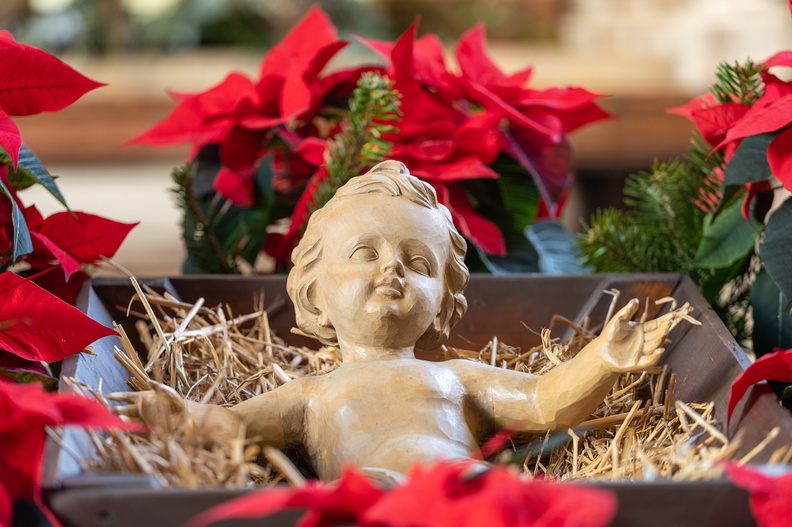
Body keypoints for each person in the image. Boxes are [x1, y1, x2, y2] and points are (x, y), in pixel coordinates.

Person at [113, 160, 692, 483]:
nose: (393, 269)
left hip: (469, 491)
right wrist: (179, 415)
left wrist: (602, 360)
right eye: (365, 253)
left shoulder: (456, 378)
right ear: (313, 292)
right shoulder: (313, 395)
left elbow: (544, 403)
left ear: (443, 301)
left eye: (417, 263)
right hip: (373, 498)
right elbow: (235, 427)